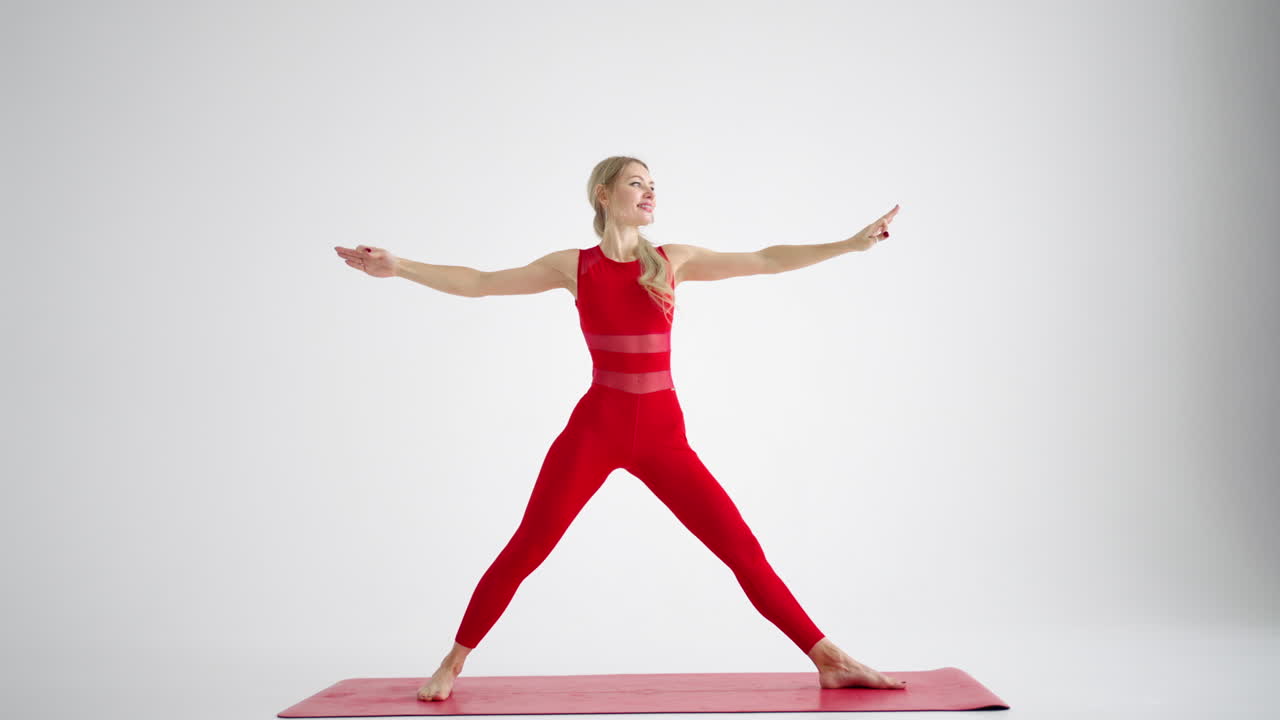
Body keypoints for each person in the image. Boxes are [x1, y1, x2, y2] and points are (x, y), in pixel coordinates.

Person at [333, 156, 902, 702]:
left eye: (653, 184)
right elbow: (480, 281)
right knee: (529, 545)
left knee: (742, 550)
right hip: (596, 431)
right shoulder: (573, 266)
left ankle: (830, 658)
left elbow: (766, 259)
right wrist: (400, 267)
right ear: (604, 195)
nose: (649, 192)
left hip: (663, 439)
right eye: (636, 182)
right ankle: (451, 663)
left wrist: (848, 245)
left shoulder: (674, 260)